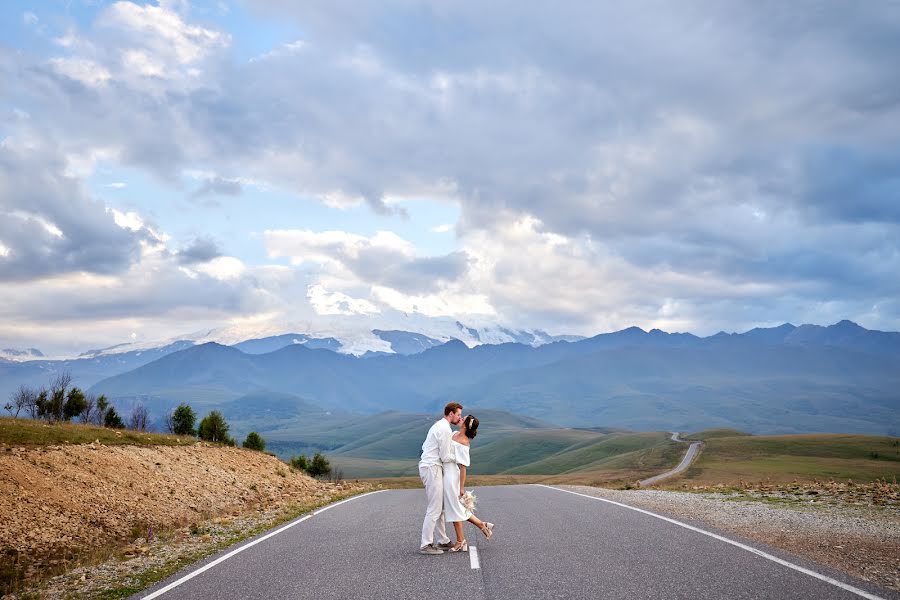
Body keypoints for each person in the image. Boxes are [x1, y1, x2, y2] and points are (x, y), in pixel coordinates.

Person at [444, 414, 495, 552]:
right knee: (455, 508)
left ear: (465, 425)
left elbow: (463, 467)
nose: (459, 419)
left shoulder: (464, 442)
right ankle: (482, 525)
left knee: (454, 509)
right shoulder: (454, 433)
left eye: (462, 419)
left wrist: (461, 487)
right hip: (445, 473)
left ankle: (461, 541)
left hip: (452, 477)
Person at [418, 402, 463, 555]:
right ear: (451, 414)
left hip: (430, 466)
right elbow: (444, 456)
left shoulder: (441, 426)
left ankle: (443, 540)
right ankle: (426, 544)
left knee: (440, 507)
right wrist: (460, 457)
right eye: (458, 415)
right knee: (435, 508)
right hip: (433, 468)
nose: (459, 417)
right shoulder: (444, 428)